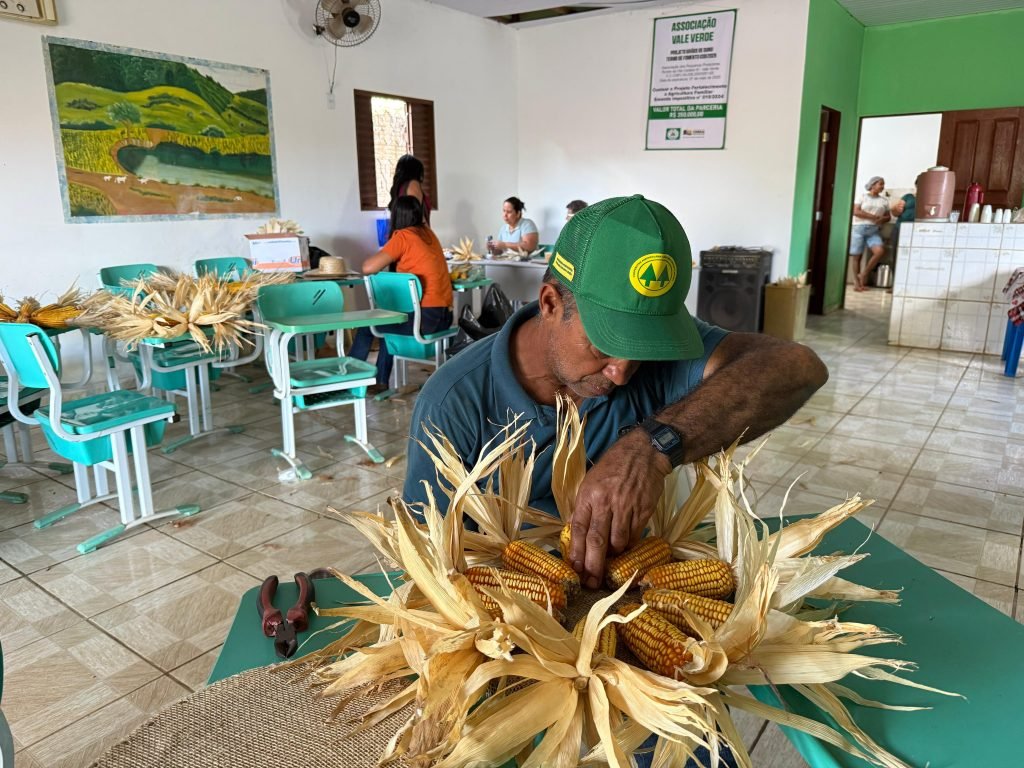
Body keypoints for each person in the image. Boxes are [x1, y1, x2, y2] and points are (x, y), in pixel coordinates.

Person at [404, 194, 828, 587]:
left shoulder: (653, 357)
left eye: (642, 347)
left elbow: (798, 368)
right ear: (550, 303)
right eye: (605, 344)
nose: (622, 373)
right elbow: (427, 560)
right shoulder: (452, 402)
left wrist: (652, 447)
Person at [348, 196, 452, 389]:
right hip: (443, 316)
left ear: (396, 215)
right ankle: (380, 381)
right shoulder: (428, 234)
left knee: (367, 327)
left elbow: (368, 267)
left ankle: (349, 380)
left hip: (425, 320)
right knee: (390, 319)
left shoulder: (404, 236)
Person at [849, 175, 891, 291]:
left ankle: (863, 274)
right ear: (873, 185)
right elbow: (856, 211)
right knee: (857, 256)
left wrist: (882, 219)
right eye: (880, 184)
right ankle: (857, 284)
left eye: (883, 184)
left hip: (874, 230)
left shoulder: (884, 201)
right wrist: (874, 217)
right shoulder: (862, 197)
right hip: (858, 228)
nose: (883, 186)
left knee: (879, 251)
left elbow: (888, 217)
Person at [388, 154, 431, 226]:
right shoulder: (413, 185)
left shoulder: (399, 189)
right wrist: (429, 236)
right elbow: (420, 217)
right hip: (416, 234)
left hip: (402, 234)